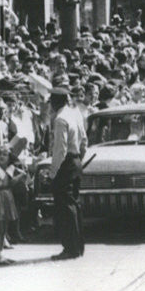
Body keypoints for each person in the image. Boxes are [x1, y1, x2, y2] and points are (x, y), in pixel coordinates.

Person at [49, 86, 87, 260]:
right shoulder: (75, 114)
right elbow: (84, 140)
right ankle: (78, 246)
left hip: (66, 164)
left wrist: (53, 172)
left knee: (65, 207)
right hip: (76, 160)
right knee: (75, 204)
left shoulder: (60, 119)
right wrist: (79, 159)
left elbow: (60, 150)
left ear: (56, 102)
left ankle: (69, 247)